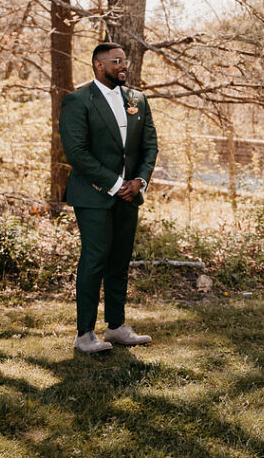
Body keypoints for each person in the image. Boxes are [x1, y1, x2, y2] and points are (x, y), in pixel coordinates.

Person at [59, 42, 158, 353]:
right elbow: (77, 153)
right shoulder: (77, 100)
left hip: (130, 196)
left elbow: (149, 146)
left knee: (120, 261)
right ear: (99, 66)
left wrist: (139, 182)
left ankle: (116, 327)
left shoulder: (138, 100)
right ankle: (84, 334)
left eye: (124, 60)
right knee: (95, 259)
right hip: (93, 194)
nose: (123, 65)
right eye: (116, 61)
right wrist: (116, 184)